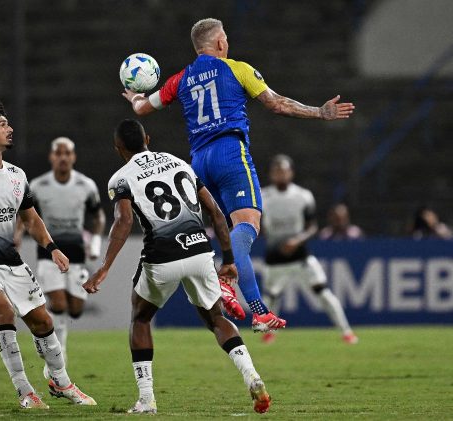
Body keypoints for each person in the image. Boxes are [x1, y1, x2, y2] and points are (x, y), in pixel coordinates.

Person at [123, 17, 354, 331]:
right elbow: (276, 104)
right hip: (230, 153)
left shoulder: (180, 79)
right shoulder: (237, 68)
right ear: (219, 43)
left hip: (199, 163)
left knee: (226, 227)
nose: (227, 43)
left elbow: (141, 110)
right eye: (225, 38)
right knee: (247, 226)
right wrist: (318, 112)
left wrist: (135, 96)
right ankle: (258, 310)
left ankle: (227, 281)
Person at [83, 119, 272, 415]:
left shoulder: (121, 178)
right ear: (147, 137)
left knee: (141, 317)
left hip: (162, 255)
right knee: (215, 318)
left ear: (118, 148)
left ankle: (146, 399)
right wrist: (229, 259)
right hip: (199, 249)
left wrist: (105, 267)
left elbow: (124, 221)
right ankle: (252, 376)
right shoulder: (179, 163)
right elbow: (215, 212)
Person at [0, 98, 96, 409]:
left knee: (42, 322)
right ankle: (26, 392)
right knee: (3, 311)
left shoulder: (17, 175)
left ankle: (61, 382)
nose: (10, 129)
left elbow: (31, 218)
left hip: (11, 261)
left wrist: (52, 248)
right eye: (2, 125)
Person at [17, 137, 105, 362]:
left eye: (67, 153)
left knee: (75, 309)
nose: (63, 158)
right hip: (48, 252)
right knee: (59, 305)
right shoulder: (37, 186)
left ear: (73, 157)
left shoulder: (85, 185)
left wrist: (95, 241)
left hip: (76, 253)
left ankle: (53, 344)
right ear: (52, 157)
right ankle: (59, 354)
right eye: (59, 153)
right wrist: (17, 236)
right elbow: (24, 216)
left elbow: (98, 216)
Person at [260, 155, 358, 344]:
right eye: (277, 171)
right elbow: (256, 223)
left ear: (291, 173)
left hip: (301, 256)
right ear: (272, 174)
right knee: (271, 296)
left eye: (284, 170)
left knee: (323, 292)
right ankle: (269, 332)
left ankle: (346, 332)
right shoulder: (262, 196)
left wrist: (297, 240)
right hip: (275, 256)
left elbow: (312, 226)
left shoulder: (303, 196)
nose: (280, 174)